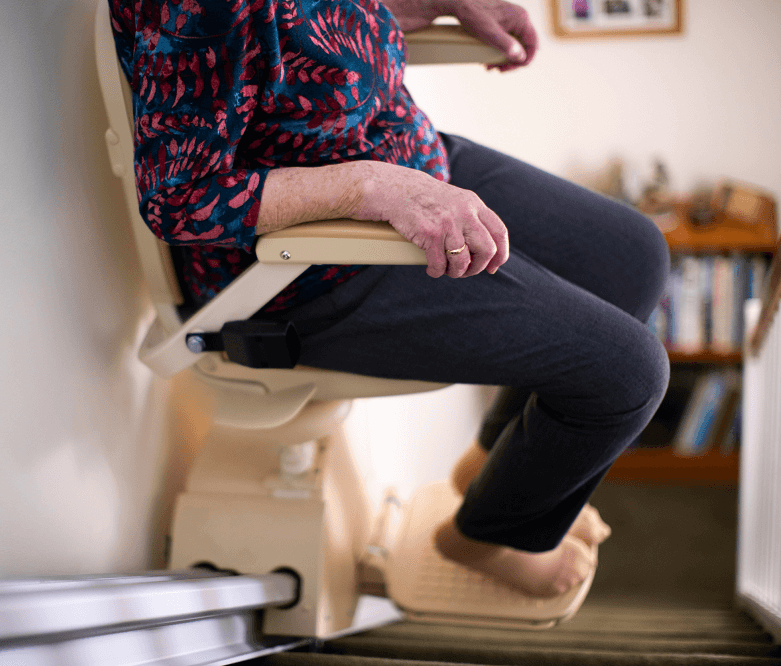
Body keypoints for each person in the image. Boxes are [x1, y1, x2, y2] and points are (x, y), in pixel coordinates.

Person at [108, 0, 670, 598]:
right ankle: (481, 536)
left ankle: (490, 470)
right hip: (314, 262)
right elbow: (180, 200)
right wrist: (371, 185)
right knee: (628, 374)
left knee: (634, 256)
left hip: (407, 153)